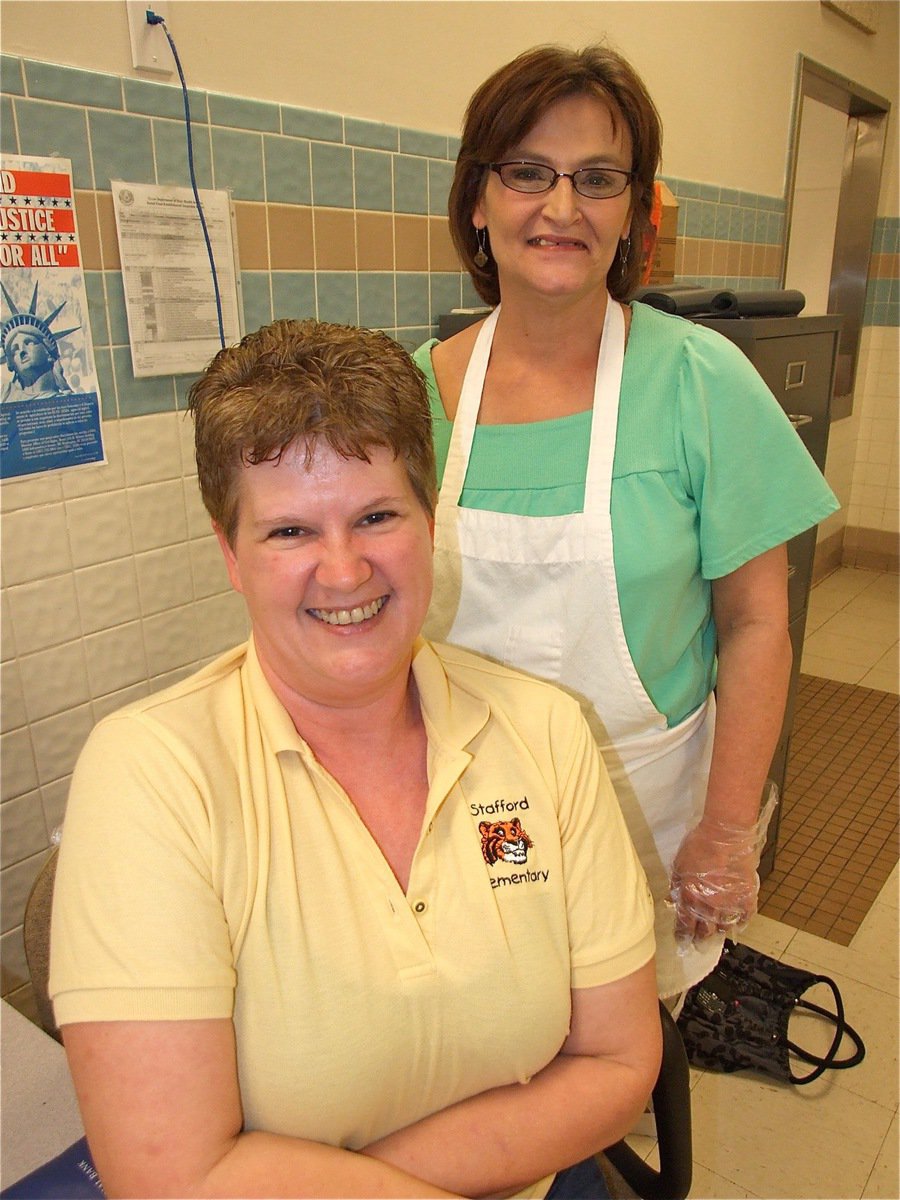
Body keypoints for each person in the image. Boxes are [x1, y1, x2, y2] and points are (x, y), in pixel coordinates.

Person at [49, 318, 660, 1200]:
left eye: (377, 516)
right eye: (290, 533)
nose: (344, 572)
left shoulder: (546, 731)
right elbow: (166, 1174)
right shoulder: (152, 775)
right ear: (230, 554)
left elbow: (616, 1061)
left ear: (428, 521)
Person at [413, 44, 839, 1001]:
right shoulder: (412, 394)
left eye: (597, 179)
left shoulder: (701, 381)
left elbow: (756, 621)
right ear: (478, 200)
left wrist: (728, 829)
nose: (561, 207)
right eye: (527, 171)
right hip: (467, 810)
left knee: (616, 1055)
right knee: (480, 1035)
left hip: (642, 808)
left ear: (634, 212)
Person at [1, 311, 74, 402]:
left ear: (47, 351)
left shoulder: (72, 403)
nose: (21, 351)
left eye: (29, 342)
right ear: (12, 365)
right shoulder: (5, 395)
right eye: (14, 350)